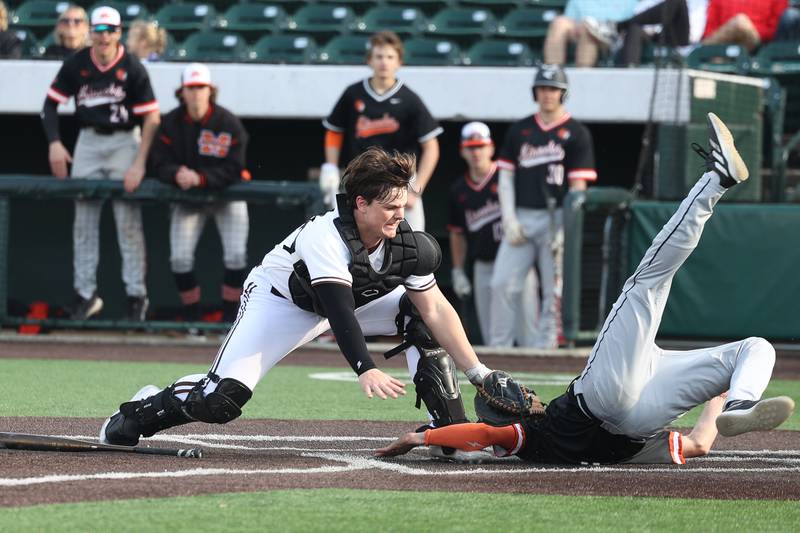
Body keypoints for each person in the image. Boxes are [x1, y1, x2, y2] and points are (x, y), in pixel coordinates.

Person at [377, 113, 796, 465]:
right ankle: (715, 181)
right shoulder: (532, 434)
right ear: (516, 418)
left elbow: (700, 444)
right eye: (518, 399)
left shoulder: (548, 443)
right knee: (648, 280)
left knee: (754, 348)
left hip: (634, 427)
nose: (524, 395)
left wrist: (719, 398)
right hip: (600, 399)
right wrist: (424, 439)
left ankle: (742, 403)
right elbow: (487, 432)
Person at [99, 147, 497, 463]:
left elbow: (437, 310)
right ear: (360, 203)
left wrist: (479, 373)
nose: (401, 213)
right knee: (219, 400)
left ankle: (449, 430)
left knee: (419, 316)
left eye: (402, 202)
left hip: (347, 306)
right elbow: (338, 311)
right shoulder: (326, 236)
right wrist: (365, 367)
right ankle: (138, 411)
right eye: (391, 205)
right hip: (281, 304)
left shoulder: (408, 243)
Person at [41, 6, 160, 321]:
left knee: (128, 222)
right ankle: (85, 294)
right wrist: (55, 144)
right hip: (89, 140)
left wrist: (139, 161)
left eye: (110, 30)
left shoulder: (132, 66)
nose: (104, 36)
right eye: (99, 30)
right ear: (91, 32)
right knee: (84, 220)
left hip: (124, 140)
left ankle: (137, 297)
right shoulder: (77, 63)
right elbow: (50, 105)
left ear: (119, 33)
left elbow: (152, 117)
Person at [490, 65, 597, 349]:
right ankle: (497, 347)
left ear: (563, 93)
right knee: (502, 283)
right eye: (542, 88)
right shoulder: (520, 129)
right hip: (523, 214)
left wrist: (567, 227)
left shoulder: (576, 132)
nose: (547, 94)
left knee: (554, 289)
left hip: (557, 217)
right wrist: (509, 218)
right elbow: (505, 178)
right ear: (534, 91)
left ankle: (545, 349)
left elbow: (578, 188)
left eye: (553, 89)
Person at [149, 63, 251, 328]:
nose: (195, 94)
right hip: (188, 199)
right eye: (191, 88)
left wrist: (201, 178)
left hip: (226, 196)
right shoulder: (170, 122)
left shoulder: (227, 122)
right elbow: (158, 162)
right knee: (180, 259)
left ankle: (230, 320)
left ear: (210, 90)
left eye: (200, 88)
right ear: (182, 92)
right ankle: (193, 320)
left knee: (236, 256)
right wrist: (176, 173)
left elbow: (235, 167)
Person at [321, 31, 442, 230]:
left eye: (390, 57)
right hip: (361, 179)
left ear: (399, 62)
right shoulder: (353, 94)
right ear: (369, 60)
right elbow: (334, 131)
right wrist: (330, 167)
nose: (384, 62)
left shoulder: (409, 99)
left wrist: (416, 189)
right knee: (350, 238)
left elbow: (432, 147)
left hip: (399, 179)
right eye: (378, 57)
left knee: (412, 244)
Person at [447, 121, 539, 346]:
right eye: (471, 147)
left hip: (518, 260)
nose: (476, 152)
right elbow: (457, 233)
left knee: (528, 331)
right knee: (494, 337)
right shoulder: (459, 190)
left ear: (490, 148)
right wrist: (458, 270)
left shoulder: (507, 178)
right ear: (462, 151)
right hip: (484, 264)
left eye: (480, 146)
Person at [584, 0, 709, 66]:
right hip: (657, 36)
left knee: (677, 1)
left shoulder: (699, 2)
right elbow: (640, 12)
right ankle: (629, 72)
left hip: (682, 40)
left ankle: (617, 27)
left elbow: (694, 33)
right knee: (634, 29)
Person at [543, 0, 638, 66]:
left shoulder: (629, 1)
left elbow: (628, 25)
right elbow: (570, 19)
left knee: (588, 31)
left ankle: (582, 77)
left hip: (611, 37)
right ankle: (552, 73)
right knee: (560, 22)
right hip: (579, 31)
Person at [701, 0, 787, 52]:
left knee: (740, 22)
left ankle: (698, 52)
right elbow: (709, 31)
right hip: (724, 44)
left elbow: (776, 29)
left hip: (760, 45)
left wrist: (747, 28)